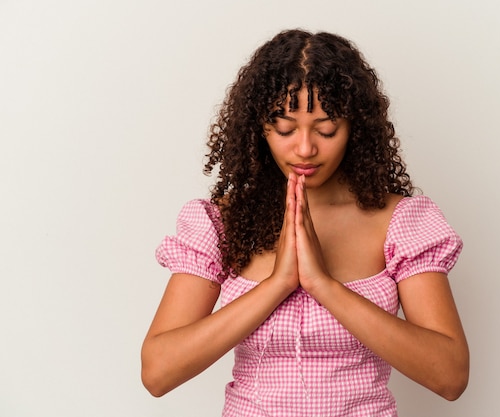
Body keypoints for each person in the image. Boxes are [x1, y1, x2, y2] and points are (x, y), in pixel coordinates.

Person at [141, 29, 469, 417]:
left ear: (355, 127)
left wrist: (323, 285)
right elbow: (158, 372)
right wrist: (277, 285)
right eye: (284, 128)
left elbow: (450, 376)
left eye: (327, 129)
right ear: (259, 128)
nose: (305, 148)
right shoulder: (221, 223)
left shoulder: (400, 221)